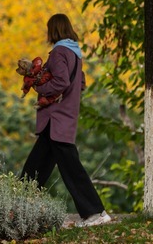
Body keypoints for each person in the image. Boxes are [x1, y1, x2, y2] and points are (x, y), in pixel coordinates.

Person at [20, 13, 112, 227]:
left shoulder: (60, 52)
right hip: (62, 117)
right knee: (36, 165)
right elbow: (80, 84)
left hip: (56, 118)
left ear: (54, 29)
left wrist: (40, 87)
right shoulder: (75, 53)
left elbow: (61, 81)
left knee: (71, 167)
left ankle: (96, 213)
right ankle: (18, 208)